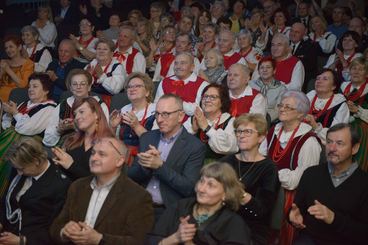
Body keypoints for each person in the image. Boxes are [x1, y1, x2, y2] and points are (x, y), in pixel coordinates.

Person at [50, 136, 154, 244]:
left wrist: (99, 239)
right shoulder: (77, 187)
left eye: (102, 154)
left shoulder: (138, 196)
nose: (94, 158)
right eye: (93, 153)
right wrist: (64, 231)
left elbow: (139, 241)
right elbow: (56, 227)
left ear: (119, 161)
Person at [128, 94, 206, 219]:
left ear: (180, 116)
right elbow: (131, 176)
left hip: (169, 212)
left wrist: (160, 166)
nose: (159, 119)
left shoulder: (194, 146)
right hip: (139, 205)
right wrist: (145, 165)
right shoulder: (147, 137)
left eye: (165, 114)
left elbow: (189, 188)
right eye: (157, 114)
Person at [289, 123, 368, 245]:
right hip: (310, 240)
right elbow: (298, 210)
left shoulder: (364, 183)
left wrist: (333, 219)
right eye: (329, 142)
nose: (332, 148)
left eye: (339, 143)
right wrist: (292, 217)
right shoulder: (311, 174)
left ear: (355, 148)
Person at [262, 90, 321, 245]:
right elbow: (260, 160)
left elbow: (299, 180)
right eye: (281, 105)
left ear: (300, 114)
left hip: (289, 199)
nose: (281, 109)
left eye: (288, 107)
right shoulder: (272, 131)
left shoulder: (309, 141)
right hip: (267, 189)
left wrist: (270, 173)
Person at [149, 162, 251, 244]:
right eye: (201, 181)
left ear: (226, 194)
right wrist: (175, 237)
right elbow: (152, 240)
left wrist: (188, 241)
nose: (201, 189)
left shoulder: (233, 224)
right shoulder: (180, 207)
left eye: (211, 185)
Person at [221, 114, 280, 245]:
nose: (241, 135)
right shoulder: (226, 162)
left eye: (247, 132)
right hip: (222, 221)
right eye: (239, 131)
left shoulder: (269, 168)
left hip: (252, 227)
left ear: (261, 137)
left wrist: (240, 194)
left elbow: (262, 211)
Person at [0, 137, 70, 245]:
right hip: (7, 232)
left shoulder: (59, 184)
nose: (19, 173)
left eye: (22, 169)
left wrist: (22, 241)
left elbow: (55, 227)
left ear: (36, 161)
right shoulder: (20, 166)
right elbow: (6, 200)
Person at [0, 73, 56, 200]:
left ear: (46, 90)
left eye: (35, 86)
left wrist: (14, 112)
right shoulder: (26, 103)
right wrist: (10, 115)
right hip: (12, 137)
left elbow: (27, 129)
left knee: (7, 161)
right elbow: (7, 123)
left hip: (28, 143)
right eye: (29, 86)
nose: (30, 89)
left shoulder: (49, 108)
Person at [51, 97, 114, 181]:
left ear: (96, 114)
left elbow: (101, 181)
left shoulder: (109, 143)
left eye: (81, 112)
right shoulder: (71, 139)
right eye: (75, 114)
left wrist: (71, 165)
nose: (77, 117)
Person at [43, 69, 109, 147]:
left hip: (90, 147)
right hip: (65, 146)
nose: (78, 87)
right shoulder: (63, 105)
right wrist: (59, 130)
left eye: (83, 84)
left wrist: (76, 127)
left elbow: (104, 134)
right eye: (74, 84)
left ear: (89, 87)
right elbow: (47, 140)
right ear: (70, 87)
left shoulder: (99, 105)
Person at [110, 72, 156, 165]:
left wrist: (136, 126)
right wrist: (113, 127)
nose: (132, 89)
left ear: (147, 92)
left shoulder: (156, 111)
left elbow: (154, 143)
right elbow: (113, 141)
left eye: (138, 86)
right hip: (122, 156)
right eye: (129, 87)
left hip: (145, 158)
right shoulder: (123, 110)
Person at [184, 84, 237, 161]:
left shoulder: (230, 121)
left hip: (220, 168)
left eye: (213, 97)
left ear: (222, 102)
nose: (207, 100)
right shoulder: (194, 118)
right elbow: (179, 143)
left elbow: (229, 148)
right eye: (205, 96)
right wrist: (193, 131)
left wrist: (207, 128)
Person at [154, 52, 209, 118]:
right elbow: (156, 104)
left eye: (183, 63)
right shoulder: (165, 82)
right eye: (176, 63)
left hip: (189, 125)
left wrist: (177, 103)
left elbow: (200, 110)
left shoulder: (203, 84)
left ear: (192, 67)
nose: (178, 67)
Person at [305, 69, 350, 144]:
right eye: (318, 78)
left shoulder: (340, 104)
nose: (319, 81)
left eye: (325, 79)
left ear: (333, 86)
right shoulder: (309, 97)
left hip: (324, 146)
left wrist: (316, 126)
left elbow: (336, 136)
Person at [340, 58, 368, 171]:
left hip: (362, 123)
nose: (356, 72)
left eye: (361, 69)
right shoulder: (343, 86)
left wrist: (357, 110)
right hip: (342, 120)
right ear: (349, 71)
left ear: (366, 74)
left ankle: (358, 170)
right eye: (354, 68)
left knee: (358, 130)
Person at [85, 38, 126, 106]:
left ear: (111, 54)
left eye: (105, 49)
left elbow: (115, 89)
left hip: (109, 103)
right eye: (99, 49)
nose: (101, 51)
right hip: (89, 100)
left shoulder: (117, 67)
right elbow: (80, 85)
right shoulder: (92, 64)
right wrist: (88, 77)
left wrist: (101, 75)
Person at [249, 57, 286, 122]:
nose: (264, 70)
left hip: (269, 121)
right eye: (262, 68)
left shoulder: (281, 88)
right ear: (258, 71)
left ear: (274, 70)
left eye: (268, 67)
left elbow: (278, 110)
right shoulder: (250, 84)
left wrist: (263, 120)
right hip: (247, 117)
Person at [0, 35, 34, 102]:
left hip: (16, 99)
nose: (8, 50)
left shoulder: (28, 64)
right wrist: (1, 72)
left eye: (11, 47)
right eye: (6, 48)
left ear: (19, 47)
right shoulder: (3, 62)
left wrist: (7, 69)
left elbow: (23, 85)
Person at [289, 22, 319, 91]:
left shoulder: (310, 46)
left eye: (297, 32)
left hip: (303, 79)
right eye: (291, 31)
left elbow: (310, 65)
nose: (293, 34)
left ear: (303, 33)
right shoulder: (284, 44)